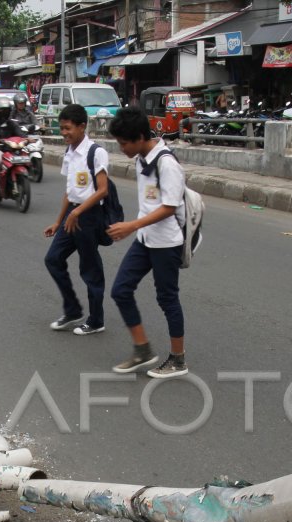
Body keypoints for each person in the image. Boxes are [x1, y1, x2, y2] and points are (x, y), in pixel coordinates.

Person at [105, 106, 189, 378]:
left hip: (166, 242)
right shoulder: (142, 159)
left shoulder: (167, 163)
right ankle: (142, 349)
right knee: (120, 290)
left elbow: (168, 207)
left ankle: (178, 360)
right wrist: (136, 228)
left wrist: (131, 225)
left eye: (125, 143)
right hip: (145, 239)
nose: (123, 148)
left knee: (167, 298)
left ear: (141, 136)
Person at [43, 103, 109, 336]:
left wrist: (78, 213)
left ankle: (96, 320)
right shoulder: (69, 152)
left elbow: (102, 190)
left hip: (88, 216)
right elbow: (69, 192)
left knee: (90, 269)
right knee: (53, 259)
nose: (64, 133)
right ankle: (72, 310)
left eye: (68, 128)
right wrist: (58, 220)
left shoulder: (95, 152)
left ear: (82, 126)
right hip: (72, 214)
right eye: (61, 128)